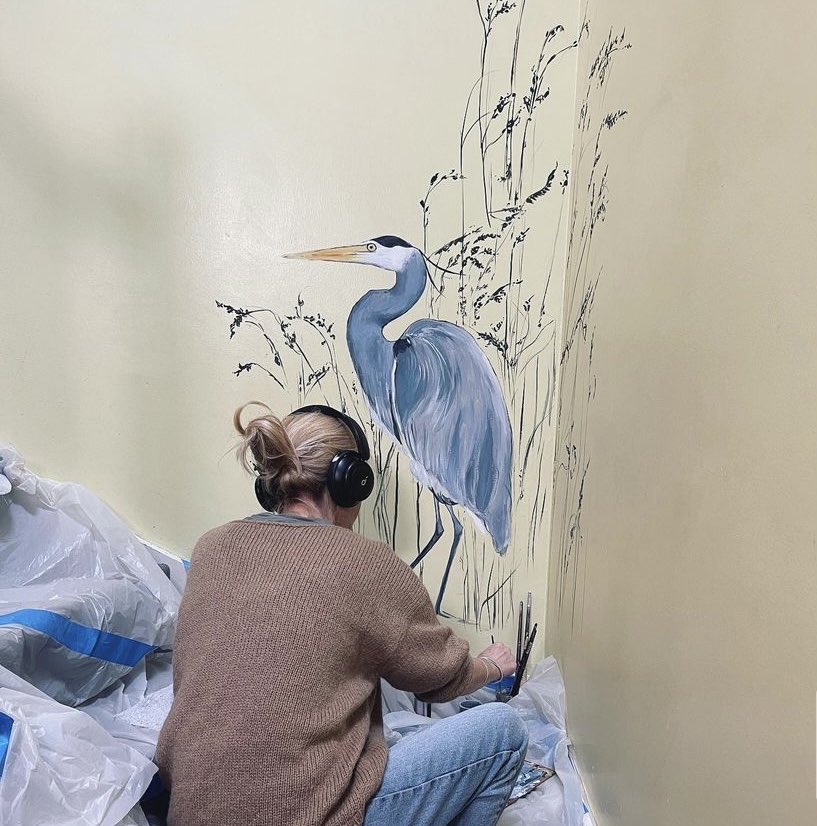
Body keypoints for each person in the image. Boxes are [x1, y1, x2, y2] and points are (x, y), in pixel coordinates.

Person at [156, 402, 528, 826]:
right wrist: (490, 666)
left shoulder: (210, 547)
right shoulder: (364, 561)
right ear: (351, 481)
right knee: (504, 733)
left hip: (188, 814)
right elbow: (438, 678)